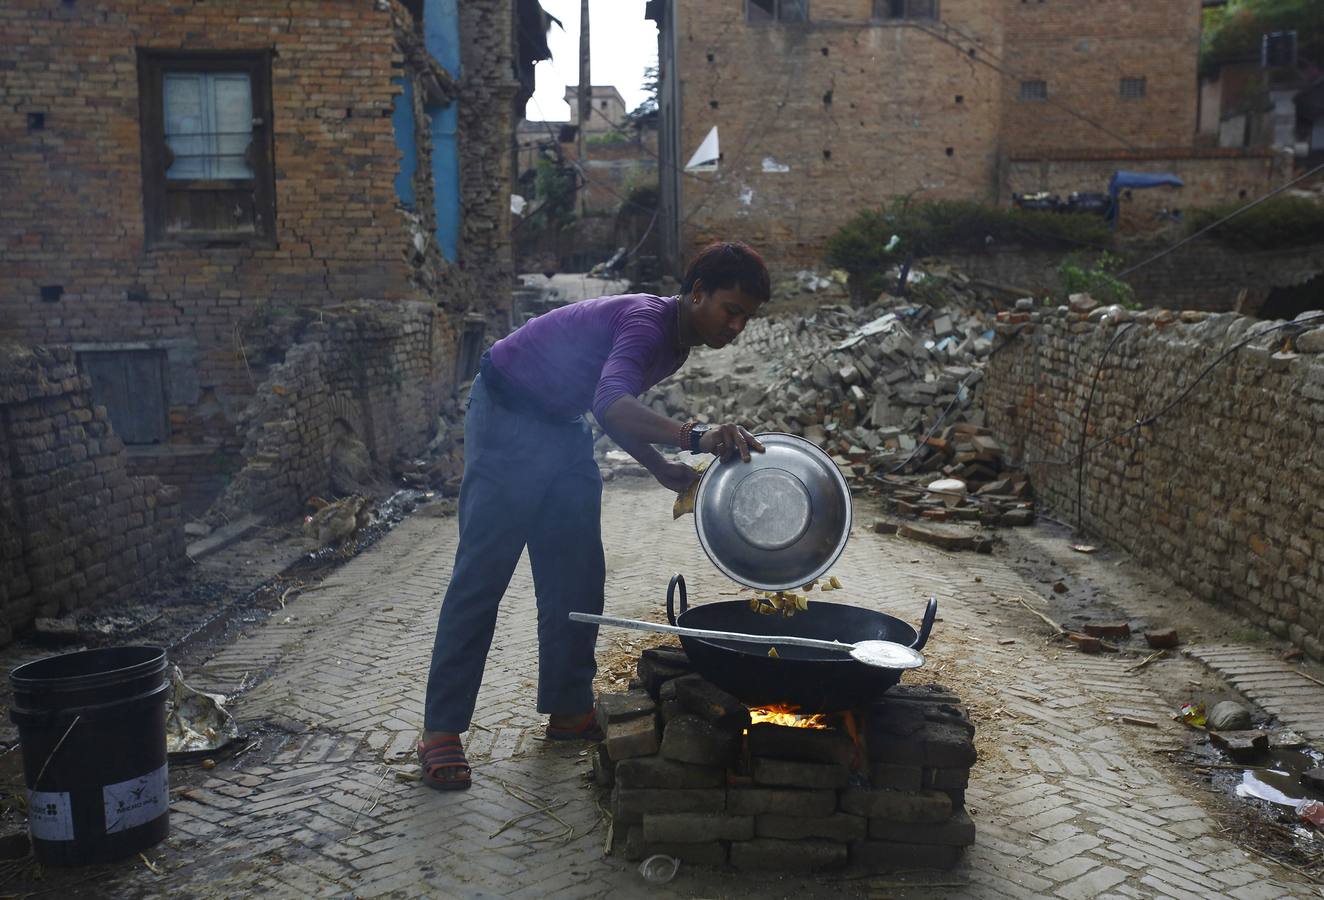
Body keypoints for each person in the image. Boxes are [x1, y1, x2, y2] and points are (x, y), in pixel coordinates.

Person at [418, 241, 771, 790]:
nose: (738, 326)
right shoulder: (649, 324)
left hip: (562, 426)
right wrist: (695, 436)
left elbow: (609, 407)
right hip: (507, 414)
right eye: (732, 310)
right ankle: (440, 730)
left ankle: (567, 710)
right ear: (697, 293)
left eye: (748, 317)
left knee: (576, 579)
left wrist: (658, 466)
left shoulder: (679, 341)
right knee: (482, 576)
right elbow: (610, 402)